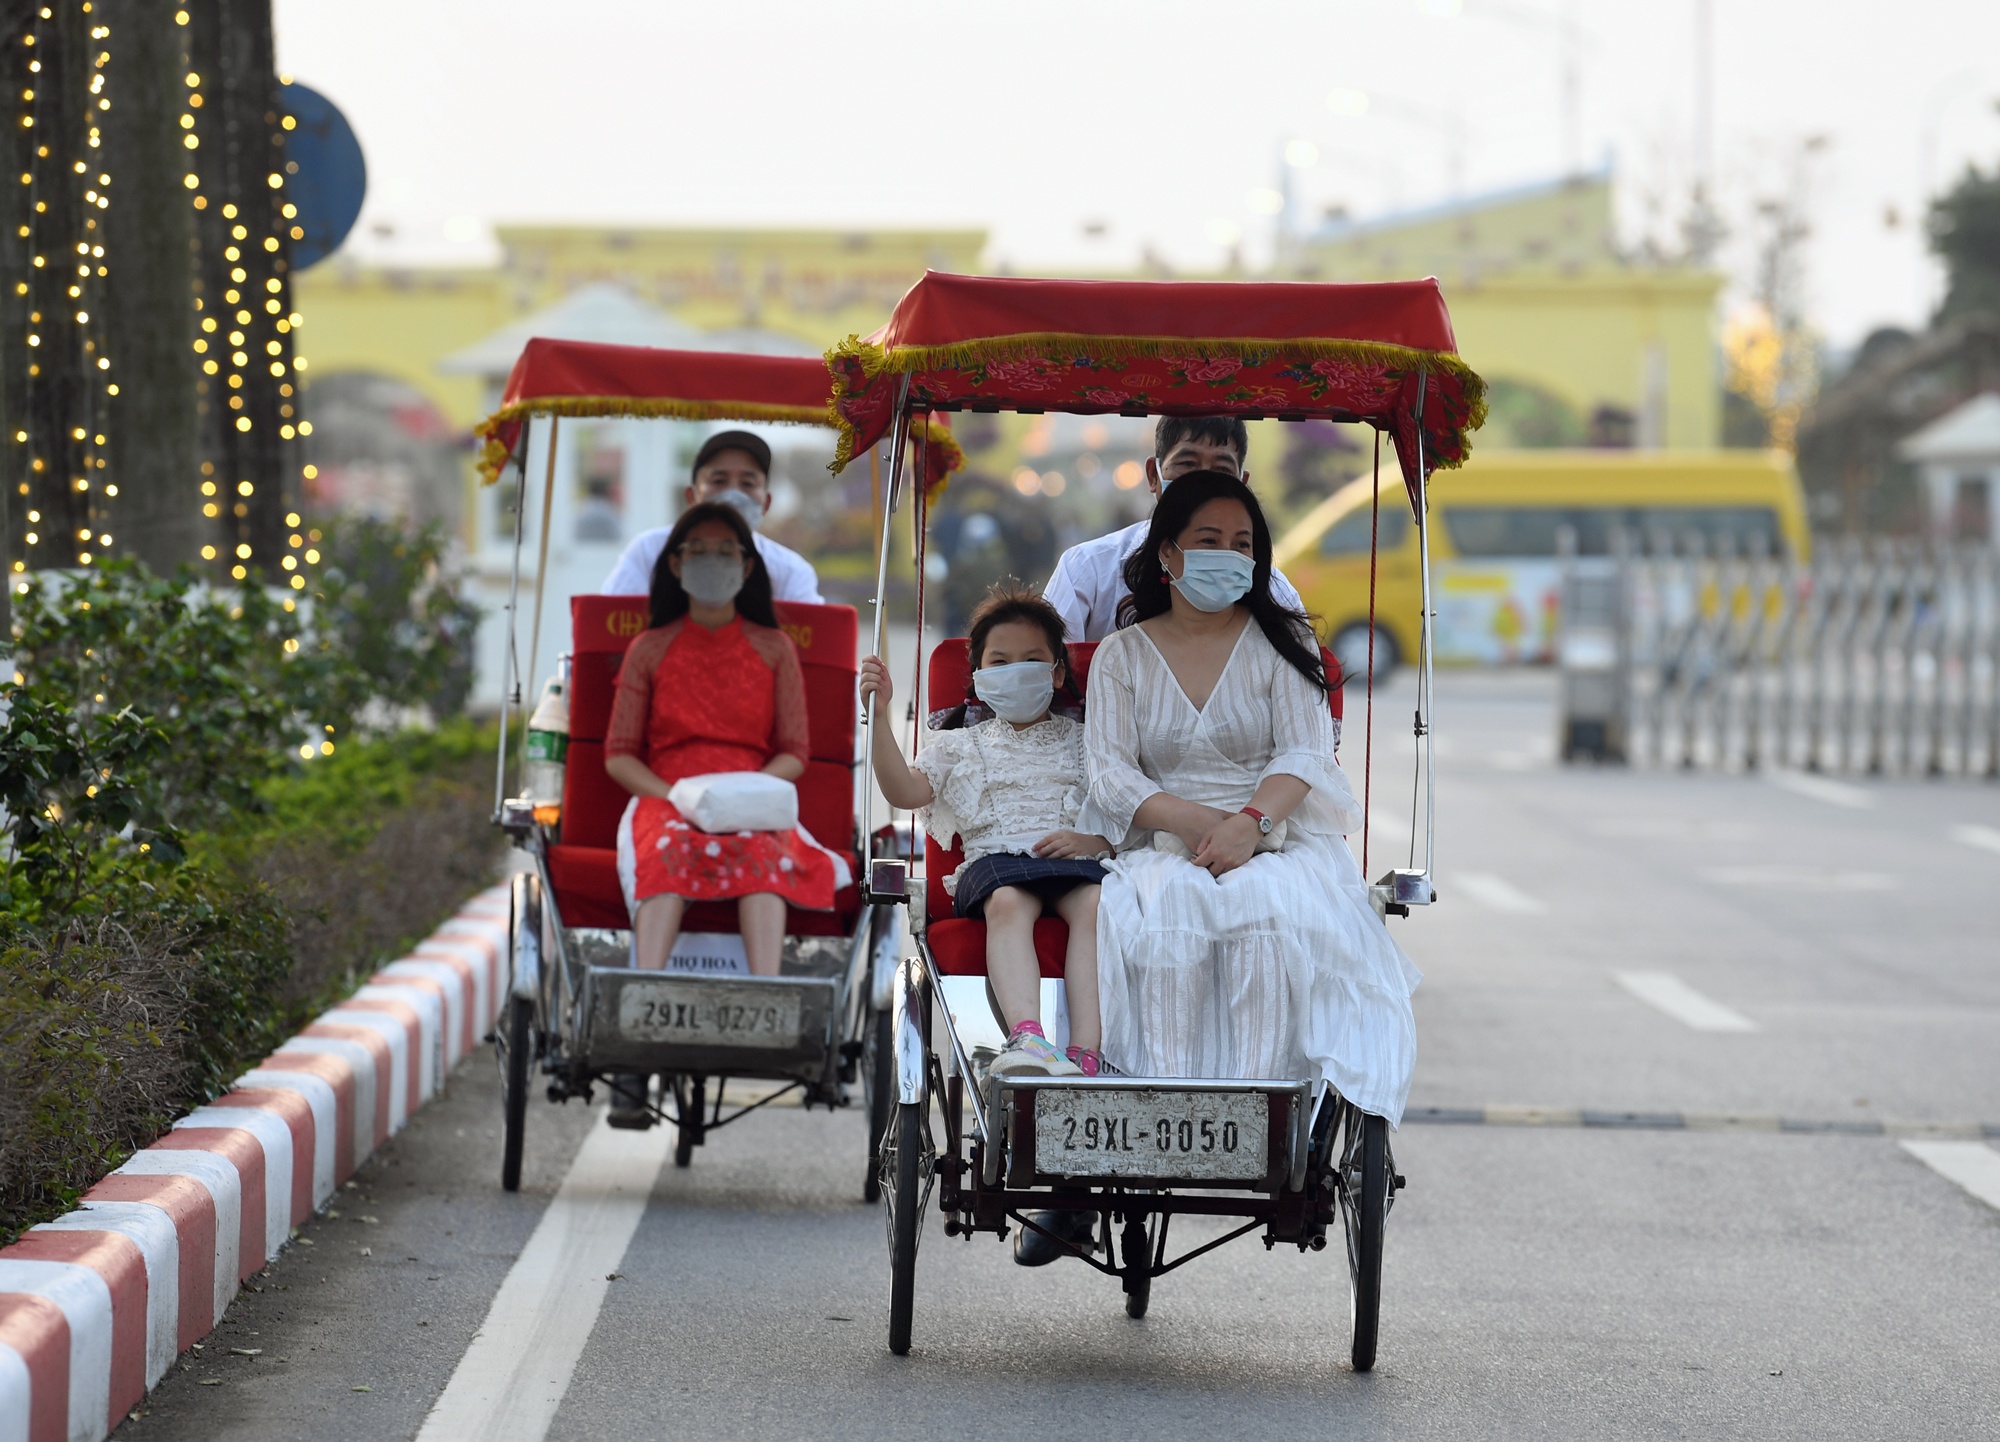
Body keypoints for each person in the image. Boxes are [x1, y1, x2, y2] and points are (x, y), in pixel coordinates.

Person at [1080, 469, 1419, 1119]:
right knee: (1166, 921)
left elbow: (1305, 754)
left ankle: (1258, 1119)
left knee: (1264, 921)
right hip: (1163, 844)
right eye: (1210, 539)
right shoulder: (1121, 657)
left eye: (1243, 544)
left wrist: (1250, 824)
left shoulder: (1281, 646)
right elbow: (1112, 774)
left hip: (1278, 844)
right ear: (1168, 554)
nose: (1230, 556)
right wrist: (1201, 822)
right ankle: (1166, 1113)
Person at [601, 501, 840, 1127]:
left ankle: (766, 1016)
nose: (711, 562)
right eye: (698, 551)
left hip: (753, 794)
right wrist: (674, 796)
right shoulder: (649, 649)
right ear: (676, 565)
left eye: (724, 551)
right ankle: (637, 1040)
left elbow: (795, 751)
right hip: (665, 794)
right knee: (670, 849)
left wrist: (748, 794)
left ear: (746, 564)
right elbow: (620, 755)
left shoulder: (774, 648)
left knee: (762, 851)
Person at [859, 584, 1109, 1080]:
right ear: (977, 677)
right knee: (1010, 901)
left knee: (1099, 906)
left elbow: (1121, 809)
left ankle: (1087, 1050)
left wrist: (1096, 843)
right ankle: (1028, 1036)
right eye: (1000, 661)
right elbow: (903, 791)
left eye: (1031, 659)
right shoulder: (961, 744)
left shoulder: (1089, 741)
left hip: (1075, 859)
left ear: (1057, 672)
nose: (1015, 670)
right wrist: (881, 716)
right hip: (996, 864)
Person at [1042, 416, 1303, 643]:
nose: (1201, 484)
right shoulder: (1088, 572)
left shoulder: (1275, 593)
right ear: (1153, 476)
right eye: (1187, 464)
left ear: (1242, 485)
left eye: (1222, 470)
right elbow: (1054, 678)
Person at [602, 429, 824, 603]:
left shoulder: (791, 571)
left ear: (766, 503)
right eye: (719, 481)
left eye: (747, 483)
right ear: (692, 496)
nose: (733, 494)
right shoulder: (649, 552)